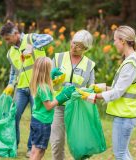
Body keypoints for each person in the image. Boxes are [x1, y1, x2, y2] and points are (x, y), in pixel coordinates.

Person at [82, 25, 136, 160]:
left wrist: (94, 96)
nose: (113, 43)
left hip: (126, 114)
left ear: (122, 41)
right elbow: (121, 88)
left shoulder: (131, 64)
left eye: (115, 40)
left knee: (120, 154)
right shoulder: (130, 61)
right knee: (124, 152)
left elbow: (118, 93)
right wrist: (102, 88)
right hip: (126, 113)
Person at [0, 22, 53, 156]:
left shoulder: (30, 38)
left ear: (16, 34)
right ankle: (13, 146)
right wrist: (11, 84)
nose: (7, 42)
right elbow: (14, 70)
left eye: (8, 38)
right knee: (14, 117)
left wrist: (33, 47)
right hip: (22, 88)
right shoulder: (11, 52)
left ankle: (31, 149)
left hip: (38, 86)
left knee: (35, 118)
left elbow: (48, 38)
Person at [50, 30, 96, 160]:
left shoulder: (89, 65)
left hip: (78, 107)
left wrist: (83, 92)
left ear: (85, 48)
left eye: (79, 46)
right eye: (73, 43)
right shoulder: (58, 58)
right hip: (59, 105)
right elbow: (46, 80)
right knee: (57, 141)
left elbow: (91, 87)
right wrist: (52, 78)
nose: (74, 47)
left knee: (79, 143)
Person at [29, 57, 75, 160]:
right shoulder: (44, 87)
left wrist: (50, 76)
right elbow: (48, 106)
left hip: (36, 120)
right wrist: (62, 97)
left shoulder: (38, 83)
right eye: (50, 69)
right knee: (40, 151)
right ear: (46, 71)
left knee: (34, 148)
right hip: (42, 122)